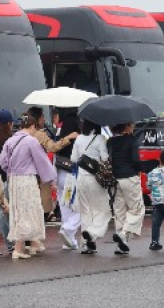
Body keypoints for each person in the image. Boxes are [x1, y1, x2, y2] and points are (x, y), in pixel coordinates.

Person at [0, 114, 56, 259]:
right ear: (32, 126)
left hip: (13, 180)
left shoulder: (10, 141)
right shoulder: (31, 141)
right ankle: (19, 249)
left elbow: (3, 162)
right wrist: (51, 180)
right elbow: (42, 162)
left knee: (19, 211)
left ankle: (34, 244)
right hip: (27, 180)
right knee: (30, 210)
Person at [27, 106, 78, 218]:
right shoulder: (39, 134)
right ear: (37, 119)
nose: (44, 120)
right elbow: (53, 147)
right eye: (42, 117)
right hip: (39, 175)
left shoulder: (24, 133)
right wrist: (69, 137)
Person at [71, 119, 110, 255]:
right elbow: (104, 158)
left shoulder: (79, 138)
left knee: (86, 211)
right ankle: (92, 233)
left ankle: (88, 244)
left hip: (81, 179)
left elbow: (74, 159)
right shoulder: (99, 138)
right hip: (95, 179)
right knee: (103, 210)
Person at [108, 123, 146, 255]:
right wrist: (140, 169)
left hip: (115, 179)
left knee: (120, 211)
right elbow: (135, 160)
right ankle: (124, 234)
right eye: (132, 124)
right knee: (137, 209)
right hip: (129, 177)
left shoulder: (111, 141)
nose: (134, 126)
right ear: (127, 126)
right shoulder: (132, 139)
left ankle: (121, 244)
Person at [55, 112, 82, 250]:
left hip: (59, 172)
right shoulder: (78, 136)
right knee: (82, 206)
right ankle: (68, 228)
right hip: (71, 175)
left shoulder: (60, 132)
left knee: (65, 206)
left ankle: (69, 241)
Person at [0, 110, 15, 254]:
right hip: (5, 181)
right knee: (5, 213)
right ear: (9, 123)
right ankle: (11, 244)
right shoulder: (10, 140)